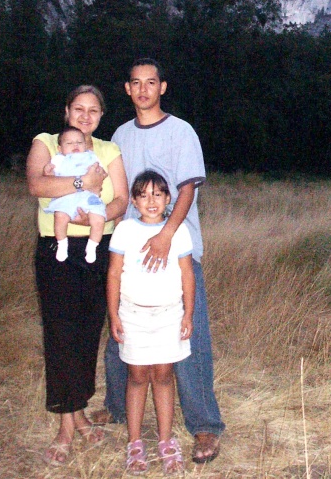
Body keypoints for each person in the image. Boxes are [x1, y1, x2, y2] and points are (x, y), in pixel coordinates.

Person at [91, 58, 225, 464]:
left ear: (162, 87)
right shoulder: (119, 135)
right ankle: (117, 408)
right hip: (131, 251)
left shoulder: (181, 131)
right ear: (128, 90)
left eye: (152, 82)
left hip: (177, 250)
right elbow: (119, 195)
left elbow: (187, 189)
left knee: (189, 338)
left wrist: (167, 235)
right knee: (121, 335)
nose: (144, 89)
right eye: (136, 83)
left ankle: (204, 426)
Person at [26, 85, 129, 467]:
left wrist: (100, 213)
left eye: (94, 111)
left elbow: (121, 198)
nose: (85, 116)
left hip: (99, 250)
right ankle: (66, 427)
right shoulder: (48, 143)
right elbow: (37, 185)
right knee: (61, 334)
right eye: (79, 109)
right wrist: (81, 185)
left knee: (87, 333)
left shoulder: (108, 150)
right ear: (67, 110)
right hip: (58, 248)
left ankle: (79, 413)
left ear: (101, 116)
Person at [107, 169, 195, 475]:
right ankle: (134, 442)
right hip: (133, 314)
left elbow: (187, 274)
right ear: (133, 200)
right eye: (143, 195)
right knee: (137, 376)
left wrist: (188, 313)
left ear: (168, 198)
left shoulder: (178, 231)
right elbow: (114, 274)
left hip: (169, 314)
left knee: (163, 375)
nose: (151, 200)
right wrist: (114, 314)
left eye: (158, 193)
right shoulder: (125, 231)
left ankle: (166, 441)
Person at [44, 126, 107, 263]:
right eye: (69, 143)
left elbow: (102, 173)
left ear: (85, 145)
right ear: (60, 149)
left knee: (99, 219)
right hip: (67, 196)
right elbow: (51, 180)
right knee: (60, 217)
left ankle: (92, 246)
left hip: (88, 196)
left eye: (79, 142)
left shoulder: (91, 156)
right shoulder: (58, 159)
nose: (75, 146)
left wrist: (98, 174)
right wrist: (49, 173)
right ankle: (62, 243)